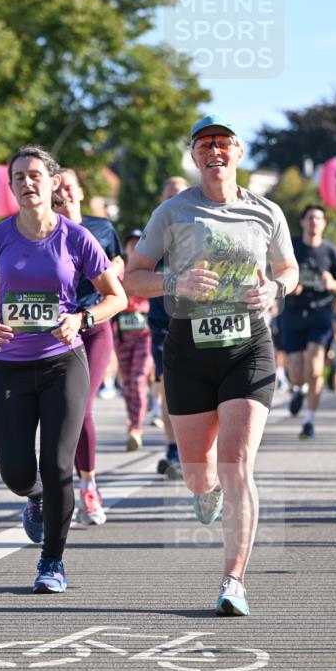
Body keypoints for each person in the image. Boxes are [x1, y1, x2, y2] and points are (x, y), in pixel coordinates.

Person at [125, 114, 299, 616]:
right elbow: (134, 277)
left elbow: (287, 268)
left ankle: (233, 579)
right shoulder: (173, 212)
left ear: (238, 152)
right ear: (195, 156)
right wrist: (175, 283)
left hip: (248, 347)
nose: (215, 151)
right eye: (205, 145)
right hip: (188, 351)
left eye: (223, 143)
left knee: (237, 462)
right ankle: (207, 491)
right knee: (199, 473)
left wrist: (274, 287)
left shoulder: (266, 212)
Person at [0, 146, 126, 593]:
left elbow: (118, 296)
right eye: (19, 176)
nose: (27, 182)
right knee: (17, 473)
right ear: (12, 185)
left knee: (57, 466)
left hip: (62, 363)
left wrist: (83, 318)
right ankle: (34, 498)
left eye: (35, 174)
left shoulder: (76, 237)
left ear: (53, 183)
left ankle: (51, 561)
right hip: (9, 366)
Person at [55, 168, 124, 524]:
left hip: (94, 324)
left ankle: (89, 487)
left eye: (69, 187)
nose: (64, 194)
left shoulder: (101, 227)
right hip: (59, 330)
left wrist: (115, 267)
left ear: (80, 192)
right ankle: (54, 488)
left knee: (81, 406)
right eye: (58, 189)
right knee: (59, 410)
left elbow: (119, 259)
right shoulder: (47, 231)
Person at [280, 204, 336, 438]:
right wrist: (290, 287)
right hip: (293, 314)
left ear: (324, 223)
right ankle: (298, 389)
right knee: (297, 370)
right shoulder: (291, 247)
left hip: (320, 313)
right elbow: (276, 273)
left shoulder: (330, 251)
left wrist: (332, 284)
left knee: (316, 367)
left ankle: (309, 421)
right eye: (310, 217)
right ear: (302, 222)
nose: (314, 222)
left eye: (319, 218)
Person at [147, 176, 188, 479]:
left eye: (180, 194)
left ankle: (199, 450)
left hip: (198, 319)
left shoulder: (199, 230)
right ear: (162, 199)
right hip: (163, 321)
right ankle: (173, 449)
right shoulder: (154, 232)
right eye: (170, 194)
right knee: (166, 389)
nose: (175, 199)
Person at [113, 229, 152, 453]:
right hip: (122, 334)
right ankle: (132, 423)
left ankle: (136, 428)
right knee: (127, 383)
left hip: (144, 335)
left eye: (139, 243)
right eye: (131, 244)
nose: (135, 247)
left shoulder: (149, 269)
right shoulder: (119, 271)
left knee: (138, 379)